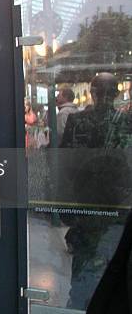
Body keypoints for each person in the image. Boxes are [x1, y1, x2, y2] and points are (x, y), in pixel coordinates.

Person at [59, 73, 132, 309]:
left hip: (87, 202)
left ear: (92, 92)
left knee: (83, 266)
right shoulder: (124, 122)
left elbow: (65, 165)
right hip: (115, 204)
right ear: (116, 94)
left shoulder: (77, 121)